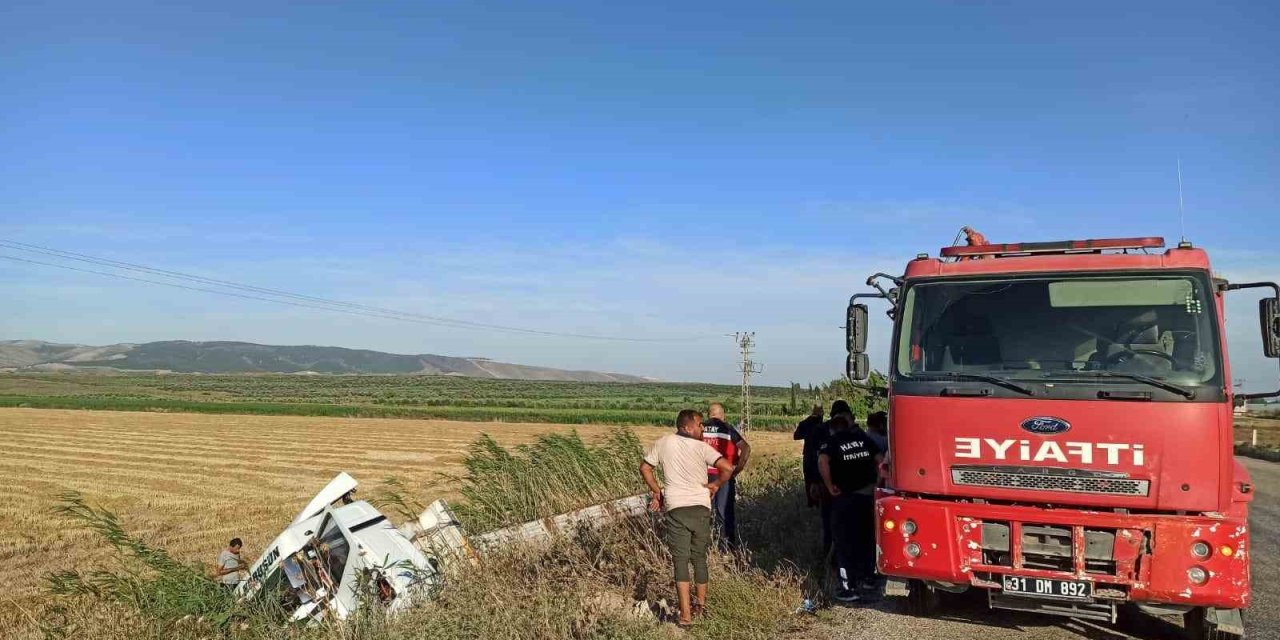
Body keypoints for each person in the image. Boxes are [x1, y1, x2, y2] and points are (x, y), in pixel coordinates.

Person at [640, 409, 735, 627]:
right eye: (700, 424)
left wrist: (657, 491)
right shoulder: (702, 447)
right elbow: (727, 467)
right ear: (686, 427)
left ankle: (685, 616)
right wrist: (716, 485)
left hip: (676, 508)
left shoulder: (663, 443)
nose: (703, 428)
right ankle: (700, 607)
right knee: (699, 558)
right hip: (700, 507)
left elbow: (645, 468)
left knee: (680, 561)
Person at [819, 413, 884, 603]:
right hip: (867, 496)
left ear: (832, 429)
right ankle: (869, 578)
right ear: (848, 426)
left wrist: (829, 487)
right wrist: (877, 484)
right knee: (866, 538)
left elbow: (822, 462)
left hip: (845, 498)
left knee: (844, 542)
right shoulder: (863, 439)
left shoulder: (831, 442)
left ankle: (849, 588)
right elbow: (881, 461)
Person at [793, 400, 854, 550]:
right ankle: (831, 552)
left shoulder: (850, 431)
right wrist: (814, 481)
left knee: (834, 520)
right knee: (831, 520)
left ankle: (833, 551)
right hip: (832, 482)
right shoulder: (821, 429)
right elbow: (813, 456)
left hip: (834, 482)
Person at [702, 402, 751, 551]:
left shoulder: (700, 428)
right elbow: (746, 448)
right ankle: (726, 547)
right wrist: (738, 469)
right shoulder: (728, 429)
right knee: (724, 512)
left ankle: (703, 545)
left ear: (709, 414)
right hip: (725, 476)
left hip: (703, 476)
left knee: (703, 511)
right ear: (722, 415)